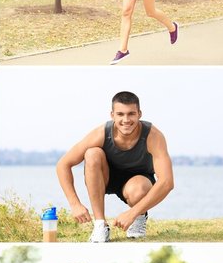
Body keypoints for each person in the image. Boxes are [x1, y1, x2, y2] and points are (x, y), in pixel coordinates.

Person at [56, 91, 174, 242]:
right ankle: (100, 225)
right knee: (92, 153)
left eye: (131, 114)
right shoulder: (101, 133)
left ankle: (139, 217)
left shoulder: (153, 136)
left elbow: (167, 182)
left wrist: (132, 213)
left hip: (137, 182)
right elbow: (63, 165)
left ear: (139, 114)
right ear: (112, 115)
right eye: (120, 114)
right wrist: (75, 204)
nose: (126, 120)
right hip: (105, 177)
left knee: (139, 189)